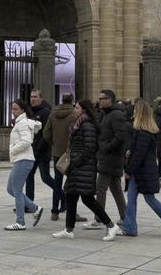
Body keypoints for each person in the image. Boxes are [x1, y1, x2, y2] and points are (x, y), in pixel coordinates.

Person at [52, 99, 121, 241]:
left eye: (76, 107)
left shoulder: (87, 125)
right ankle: (68, 229)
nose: (74, 109)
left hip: (83, 167)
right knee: (71, 196)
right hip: (78, 168)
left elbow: (89, 148)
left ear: (83, 110)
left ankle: (111, 225)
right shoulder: (79, 124)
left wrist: (75, 162)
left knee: (88, 199)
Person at [122, 99, 161, 237]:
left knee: (149, 199)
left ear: (140, 113)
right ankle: (129, 227)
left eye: (136, 110)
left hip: (142, 171)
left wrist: (129, 170)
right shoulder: (143, 130)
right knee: (132, 199)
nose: (134, 112)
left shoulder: (143, 131)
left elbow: (140, 154)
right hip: (142, 170)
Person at [83, 89, 130, 230]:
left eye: (103, 98)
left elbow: (120, 136)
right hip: (108, 157)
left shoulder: (116, 115)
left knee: (100, 189)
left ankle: (99, 218)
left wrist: (106, 147)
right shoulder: (106, 114)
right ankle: (125, 216)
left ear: (110, 100)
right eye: (99, 98)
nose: (100, 100)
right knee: (116, 189)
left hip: (111, 158)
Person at [43, 93, 84, 222]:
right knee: (72, 183)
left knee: (57, 182)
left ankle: (55, 211)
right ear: (72, 100)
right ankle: (72, 212)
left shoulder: (53, 114)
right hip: (71, 153)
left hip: (57, 153)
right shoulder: (75, 115)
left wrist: (55, 143)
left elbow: (46, 133)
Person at [4, 99, 44, 231]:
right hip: (21, 159)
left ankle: (20, 222)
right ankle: (35, 208)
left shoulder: (22, 123)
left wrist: (13, 150)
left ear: (22, 110)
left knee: (16, 190)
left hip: (23, 159)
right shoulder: (21, 122)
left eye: (15, 109)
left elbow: (27, 141)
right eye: (12, 109)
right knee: (11, 189)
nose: (13, 111)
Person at [25, 90, 55, 206]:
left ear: (41, 98)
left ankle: (63, 197)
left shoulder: (46, 112)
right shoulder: (30, 112)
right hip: (31, 150)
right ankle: (29, 204)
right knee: (29, 176)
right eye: (31, 96)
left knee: (45, 178)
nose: (33, 99)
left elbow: (46, 133)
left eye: (35, 97)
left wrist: (39, 148)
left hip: (42, 151)